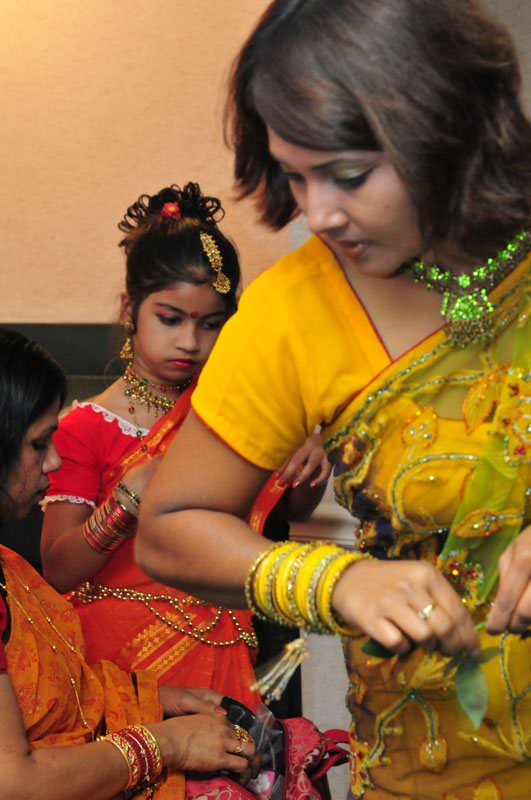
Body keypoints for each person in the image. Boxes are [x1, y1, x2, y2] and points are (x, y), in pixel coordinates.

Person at [135, 1, 531, 798]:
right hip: (435, 767)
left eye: (347, 175)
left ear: (443, 128)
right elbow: (171, 529)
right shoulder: (296, 310)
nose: (317, 214)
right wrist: (334, 580)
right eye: (294, 175)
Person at [41, 182, 329, 708]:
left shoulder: (237, 414)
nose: (190, 342)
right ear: (130, 309)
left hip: (228, 653)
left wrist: (309, 464)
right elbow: (57, 569)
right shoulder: (86, 426)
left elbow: (289, 509)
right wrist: (127, 501)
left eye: (211, 325)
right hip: (122, 676)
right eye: (169, 319)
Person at [0, 328, 259, 800]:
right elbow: (14, 783)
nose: (53, 462)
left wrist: (152, 700)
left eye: (210, 323)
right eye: (38, 444)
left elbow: (54, 688)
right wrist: (166, 743)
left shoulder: (9, 567)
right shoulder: (95, 427)